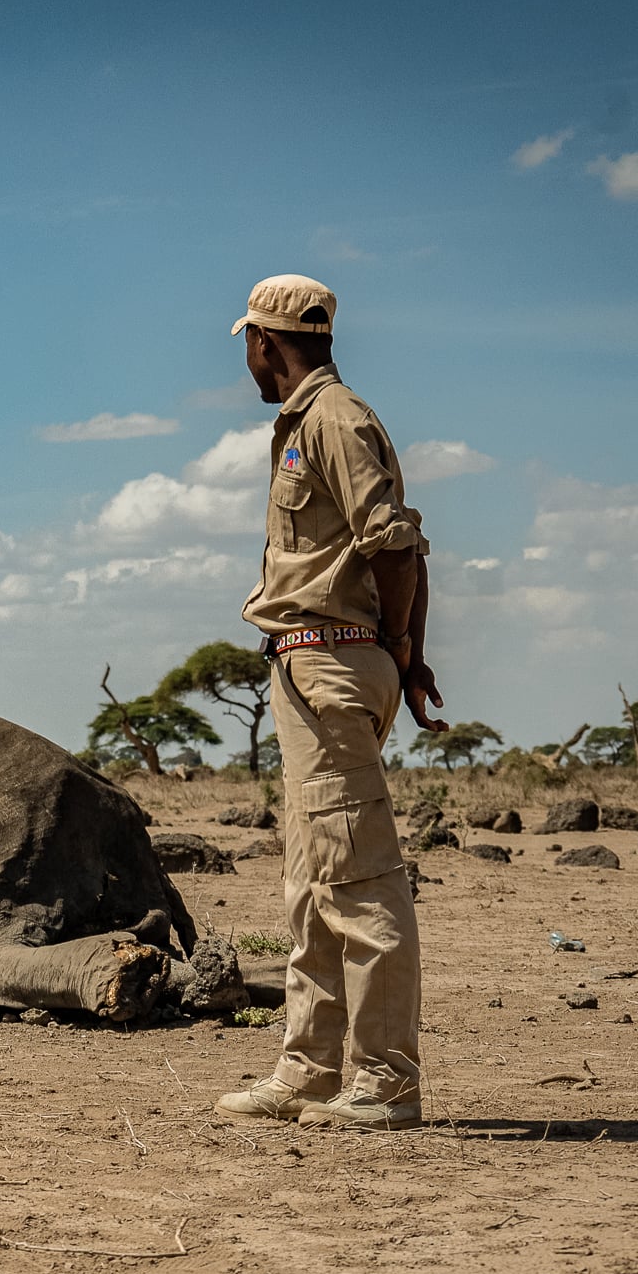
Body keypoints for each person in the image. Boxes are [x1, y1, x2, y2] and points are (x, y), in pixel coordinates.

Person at [212, 274, 448, 1132]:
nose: (245, 355)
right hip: (316, 662)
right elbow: (401, 546)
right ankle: (309, 1069)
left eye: (247, 341)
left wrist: (399, 649)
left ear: (265, 343)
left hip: (336, 660)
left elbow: (398, 545)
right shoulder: (306, 424)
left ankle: (386, 1080)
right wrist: (404, 655)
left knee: (358, 876)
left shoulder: (334, 421)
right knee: (312, 881)